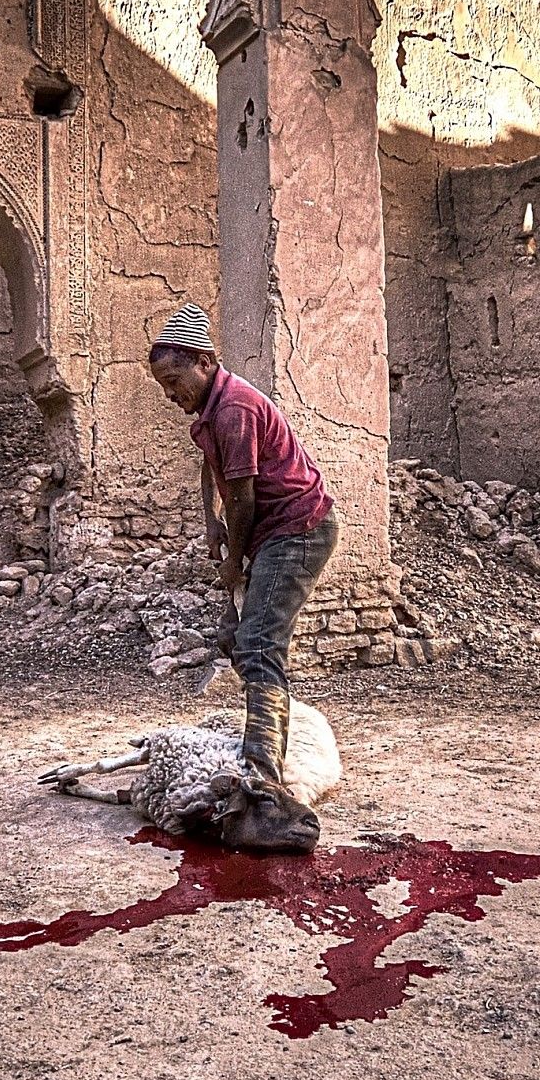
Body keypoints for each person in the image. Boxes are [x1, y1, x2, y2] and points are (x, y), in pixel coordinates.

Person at [146, 302, 339, 789]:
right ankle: (275, 734)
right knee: (234, 638)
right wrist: (210, 520)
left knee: (257, 644)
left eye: (174, 381)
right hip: (273, 532)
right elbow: (210, 464)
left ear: (205, 363)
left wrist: (233, 562)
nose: (170, 394)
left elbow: (243, 497)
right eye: (163, 386)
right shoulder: (213, 410)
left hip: (298, 530)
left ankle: (264, 780)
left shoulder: (234, 407)